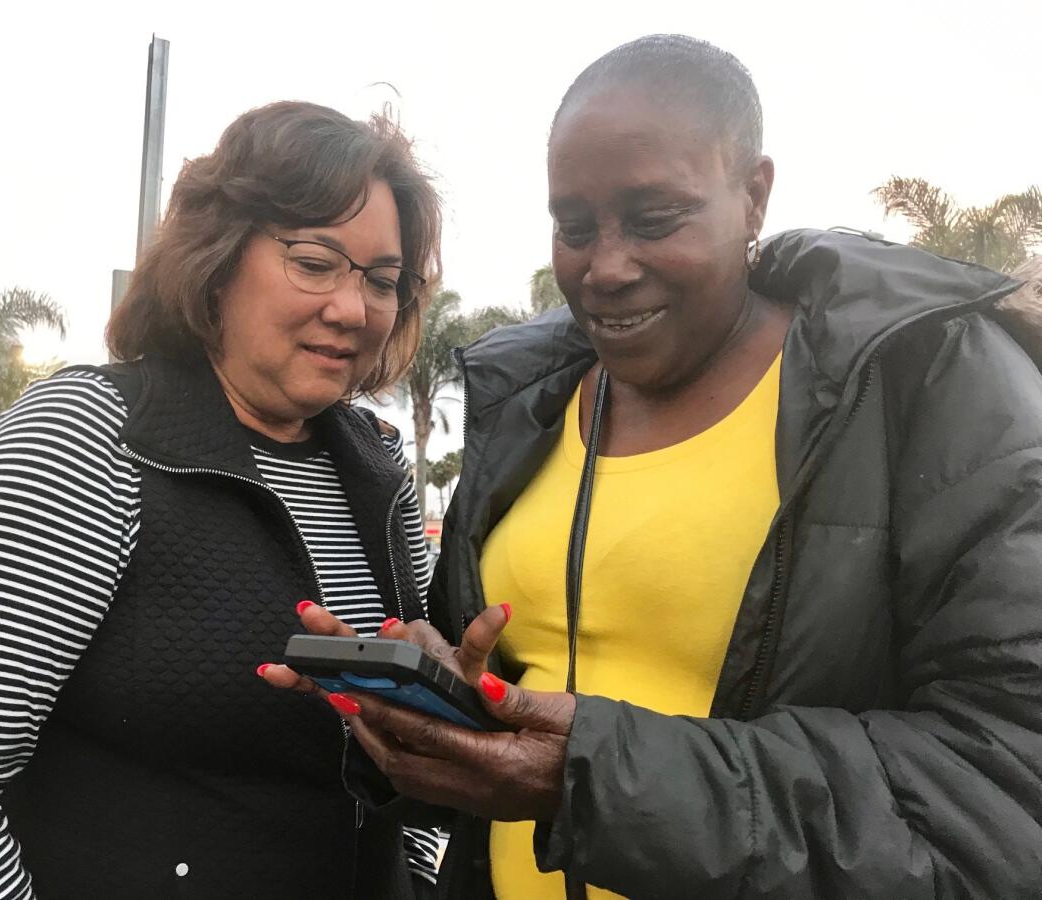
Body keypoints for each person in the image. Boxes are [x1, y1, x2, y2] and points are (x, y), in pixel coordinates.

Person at [267, 35, 1042, 899]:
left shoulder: (927, 381)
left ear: (753, 196)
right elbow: (504, 717)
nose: (604, 267)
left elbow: (1003, 793)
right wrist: (430, 707)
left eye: (654, 218)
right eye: (574, 226)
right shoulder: (524, 401)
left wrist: (585, 778)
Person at [0, 101, 443, 898]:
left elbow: (400, 783)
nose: (352, 308)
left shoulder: (376, 470)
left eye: (382, 281)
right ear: (220, 255)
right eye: (314, 262)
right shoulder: (93, 435)